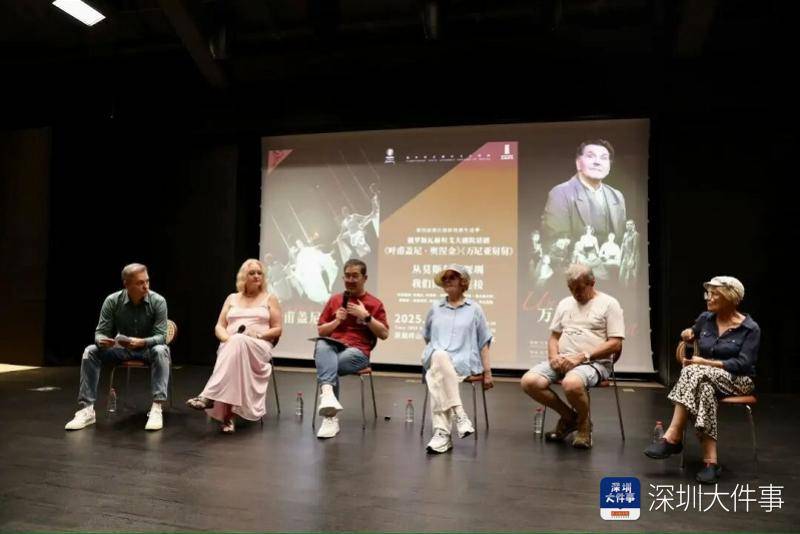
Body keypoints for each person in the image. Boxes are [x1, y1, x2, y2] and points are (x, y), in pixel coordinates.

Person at [644, 276, 759, 484]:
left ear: (730, 298)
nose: (708, 298)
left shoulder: (750, 328)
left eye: (714, 294)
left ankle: (673, 436)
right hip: (705, 379)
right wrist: (687, 334)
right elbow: (691, 333)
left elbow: (743, 364)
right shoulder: (706, 319)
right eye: (708, 293)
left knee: (694, 371)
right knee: (705, 389)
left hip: (738, 380)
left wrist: (707, 363)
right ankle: (710, 462)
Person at [520, 264, 625, 449]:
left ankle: (583, 427)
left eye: (580, 288)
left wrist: (582, 356)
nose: (576, 293)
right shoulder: (565, 304)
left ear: (592, 283)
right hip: (563, 360)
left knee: (571, 383)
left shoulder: (610, 304)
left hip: (594, 363)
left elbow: (615, 343)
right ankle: (571, 418)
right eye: (571, 289)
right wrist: (553, 356)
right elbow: (554, 337)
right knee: (529, 382)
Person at [65, 263, 170, 431]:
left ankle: (157, 408)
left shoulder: (158, 301)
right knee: (90, 351)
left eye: (147, 281)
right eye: (140, 283)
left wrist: (142, 342)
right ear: (126, 284)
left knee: (161, 350)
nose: (145, 286)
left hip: (148, 350)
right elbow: (100, 332)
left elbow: (161, 336)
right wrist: (102, 340)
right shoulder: (112, 301)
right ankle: (87, 410)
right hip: (123, 350)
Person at [186, 259, 282, 433]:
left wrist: (258, 335)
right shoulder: (232, 298)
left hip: (259, 346)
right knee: (236, 344)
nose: (257, 276)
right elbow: (219, 326)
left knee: (238, 342)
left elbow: (277, 329)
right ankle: (228, 415)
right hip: (231, 345)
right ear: (243, 276)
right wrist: (227, 338)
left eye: (259, 273)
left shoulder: (270, 298)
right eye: (252, 273)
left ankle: (210, 397)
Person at [314, 258, 389, 439]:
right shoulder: (335, 300)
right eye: (347, 276)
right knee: (322, 343)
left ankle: (329, 412)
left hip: (358, 352)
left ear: (365, 278)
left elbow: (384, 334)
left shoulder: (374, 303)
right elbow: (321, 330)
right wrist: (336, 321)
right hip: (334, 346)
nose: (350, 280)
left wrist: (366, 317)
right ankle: (329, 404)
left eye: (355, 276)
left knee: (328, 366)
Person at [422, 265, 493, 453]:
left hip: (463, 362)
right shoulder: (435, 307)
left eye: (452, 277)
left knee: (437, 376)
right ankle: (459, 413)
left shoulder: (475, 309)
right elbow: (427, 336)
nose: (447, 281)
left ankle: (442, 434)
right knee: (439, 355)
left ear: (463, 282)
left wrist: (488, 372)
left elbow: (483, 341)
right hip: (437, 358)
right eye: (445, 278)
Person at [541, 140, 627, 246]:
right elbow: (556, 242)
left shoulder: (617, 196)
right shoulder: (560, 193)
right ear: (578, 163)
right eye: (590, 156)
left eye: (604, 158)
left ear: (609, 166)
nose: (597, 162)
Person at [618, 219, 640, 285]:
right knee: (621, 274)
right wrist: (620, 256)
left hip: (633, 257)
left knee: (631, 275)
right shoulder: (625, 234)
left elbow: (635, 248)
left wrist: (632, 259)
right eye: (627, 224)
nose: (628, 226)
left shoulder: (636, 234)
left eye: (630, 224)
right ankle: (622, 289)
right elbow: (622, 245)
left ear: (633, 225)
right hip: (626, 256)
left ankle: (632, 289)